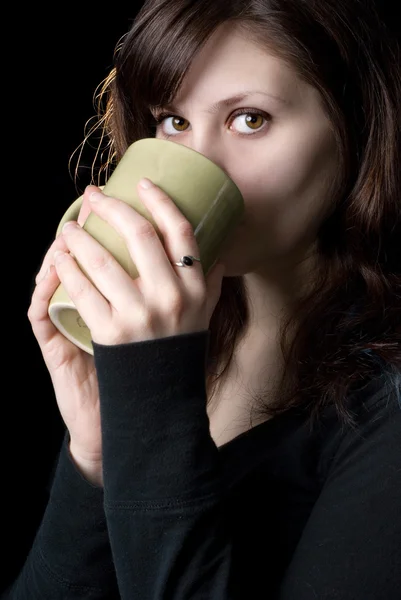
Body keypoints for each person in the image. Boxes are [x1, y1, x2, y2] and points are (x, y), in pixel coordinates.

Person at [6, 0, 400, 598]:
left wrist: (150, 395)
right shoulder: (164, 341)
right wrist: (97, 457)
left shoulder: (387, 412)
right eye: (175, 122)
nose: (196, 162)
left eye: (250, 120)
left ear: (357, 128)